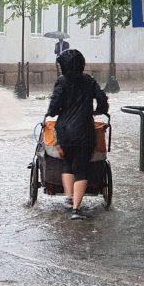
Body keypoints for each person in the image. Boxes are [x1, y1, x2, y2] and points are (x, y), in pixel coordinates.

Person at [46, 49, 109, 220]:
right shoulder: (89, 81)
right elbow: (102, 99)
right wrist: (99, 111)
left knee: (67, 162)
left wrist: (51, 113)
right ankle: (76, 209)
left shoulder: (61, 82)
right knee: (81, 168)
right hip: (84, 129)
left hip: (64, 130)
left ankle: (69, 197)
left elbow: (55, 102)